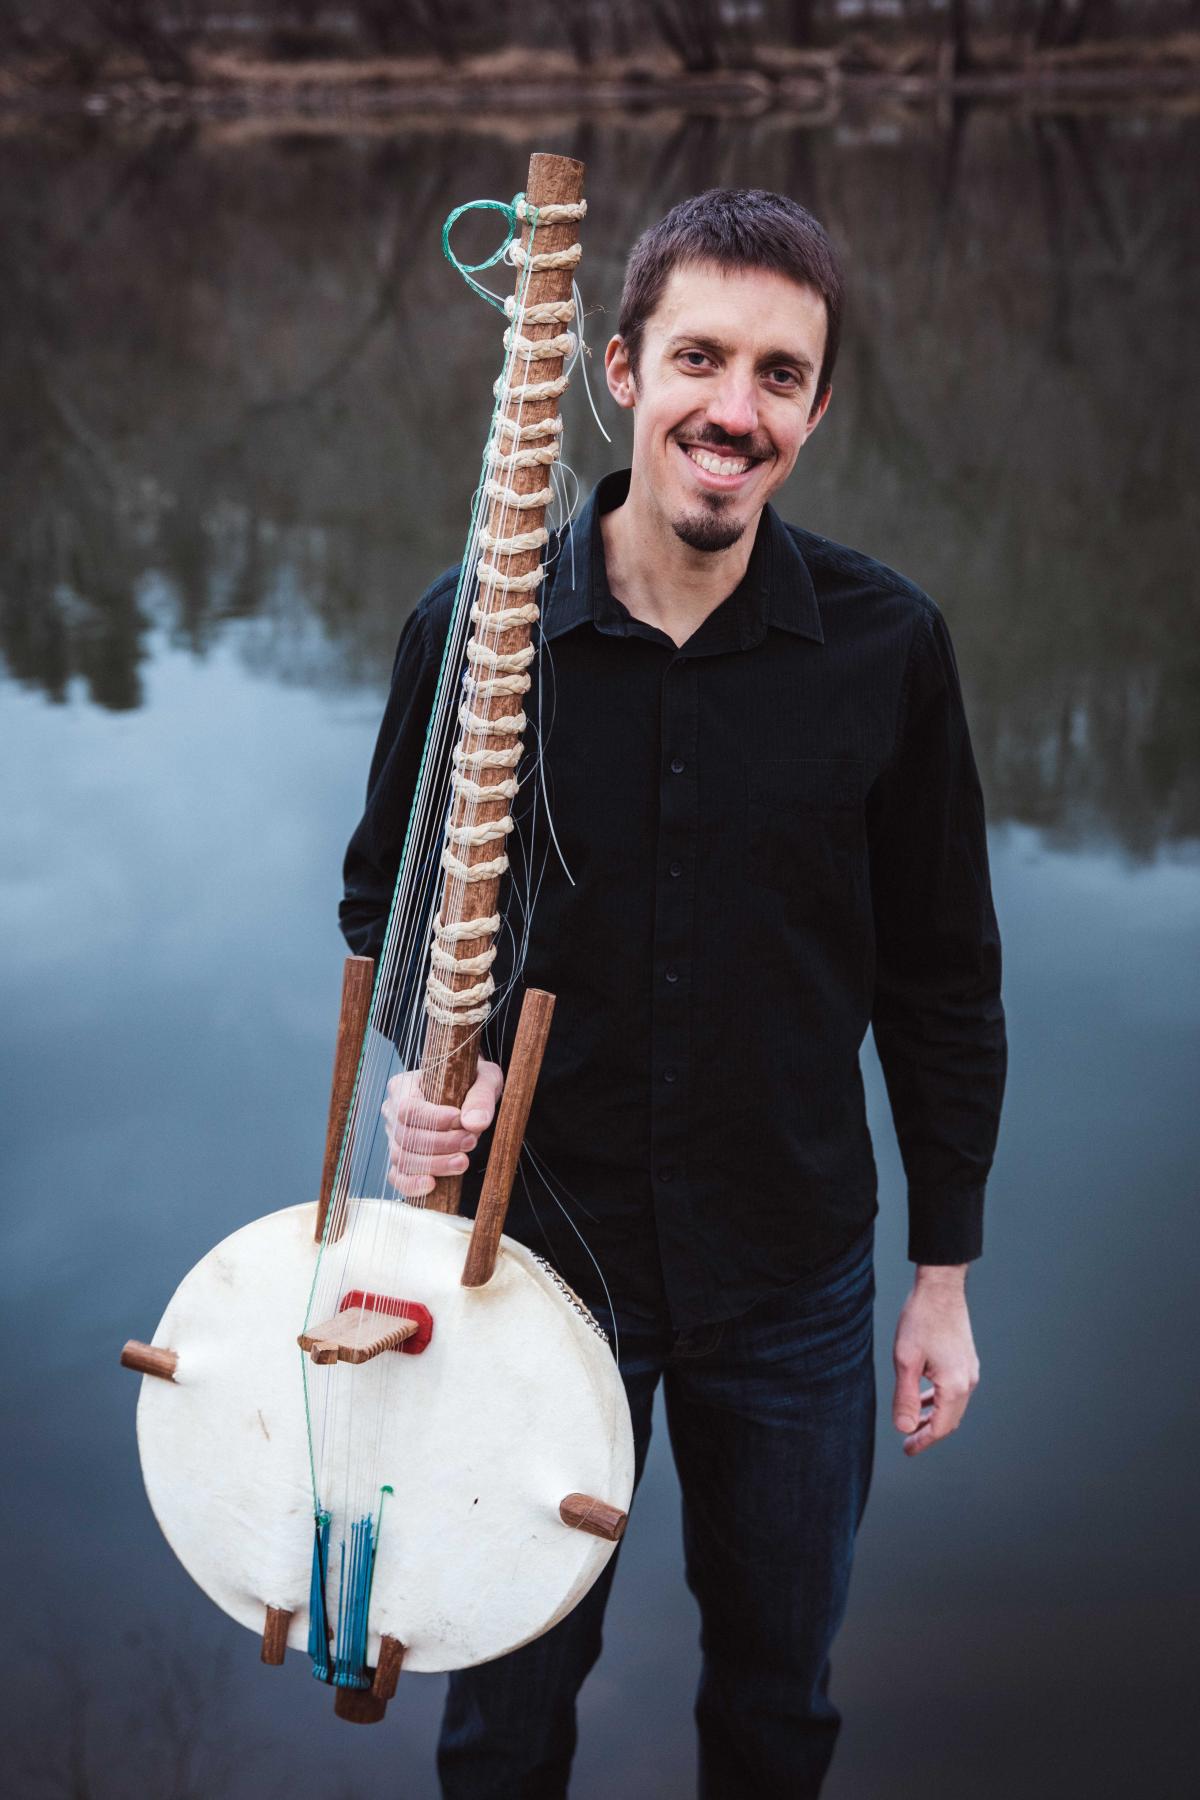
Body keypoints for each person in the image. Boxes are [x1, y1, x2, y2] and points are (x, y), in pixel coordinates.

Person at [340, 188, 1006, 1799]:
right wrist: (428, 1076)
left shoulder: (886, 646)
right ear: (622, 370)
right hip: (530, 1276)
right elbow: (392, 902)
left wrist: (944, 1276)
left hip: (791, 1285)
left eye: (782, 375)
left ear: (817, 407)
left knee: (779, 1705)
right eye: (702, 358)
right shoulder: (478, 631)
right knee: (503, 1715)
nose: (737, 408)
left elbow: (943, 977)